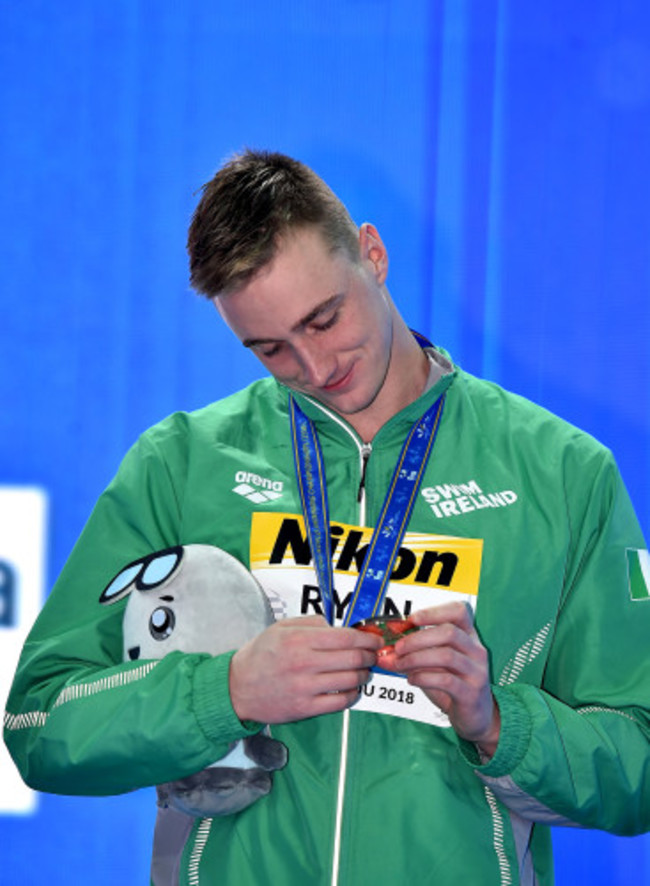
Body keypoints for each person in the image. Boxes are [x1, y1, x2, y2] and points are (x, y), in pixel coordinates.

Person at [4, 149, 650, 886]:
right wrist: (228, 690)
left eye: (323, 319)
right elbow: (40, 724)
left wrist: (498, 720)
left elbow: (640, 765)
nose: (314, 368)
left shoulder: (562, 474)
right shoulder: (181, 464)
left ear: (372, 255)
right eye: (270, 348)